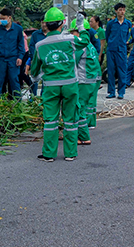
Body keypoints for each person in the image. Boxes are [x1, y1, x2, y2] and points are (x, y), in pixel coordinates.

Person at [30, 8, 89, 162]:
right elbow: (85, 42)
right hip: (70, 85)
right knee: (70, 119)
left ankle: (49, 154)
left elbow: (35, 69)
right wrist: (81, 26)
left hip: (50, 87)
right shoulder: (69, 39)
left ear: (46, 25)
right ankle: (70, 153)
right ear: (62, 23)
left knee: (50, 120)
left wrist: (36, 77)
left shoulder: (39, 45)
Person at [70, 19, 101, 144]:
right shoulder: (90, 46)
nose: (71, 35)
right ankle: (81, 134)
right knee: (83, 107)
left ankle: (83, 136)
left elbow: (72, 63)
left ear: (78, 32)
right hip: (91, 80)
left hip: (83, 81)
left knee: (78, 108)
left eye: (72, 32)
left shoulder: (81, 47)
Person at [0, 8, 25, 98]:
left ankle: (17, 101)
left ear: (9, 18)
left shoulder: (18, 29)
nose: (2, 20)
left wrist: (20, 57)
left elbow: (21, 45)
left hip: (13, 59)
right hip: (1, 59)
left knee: (14, 81)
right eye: (0, 18)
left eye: (3, 18)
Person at [105, 3, 132, 99]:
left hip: (122, 50)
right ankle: (111, 92)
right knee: (111, 71)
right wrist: (111, 43)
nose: (122, 11)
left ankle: (121, 92)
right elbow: (107, 35)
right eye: (120, 10)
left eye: (123, 10)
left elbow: (128, 34)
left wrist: (124, 42)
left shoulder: (127, 23)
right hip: (111, 49)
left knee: (122, 71)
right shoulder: (111, 23)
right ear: (116, 11)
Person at [25, 17, 48, 96]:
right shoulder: (35, 34)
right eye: (42, 23)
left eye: (45, 23)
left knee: (45, 81)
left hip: (47, 61)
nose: (44, 25)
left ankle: (43, 98)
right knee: (34, 80)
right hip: (36, 60)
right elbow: (31, 46)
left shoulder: (51, 35)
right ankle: (33, 98)